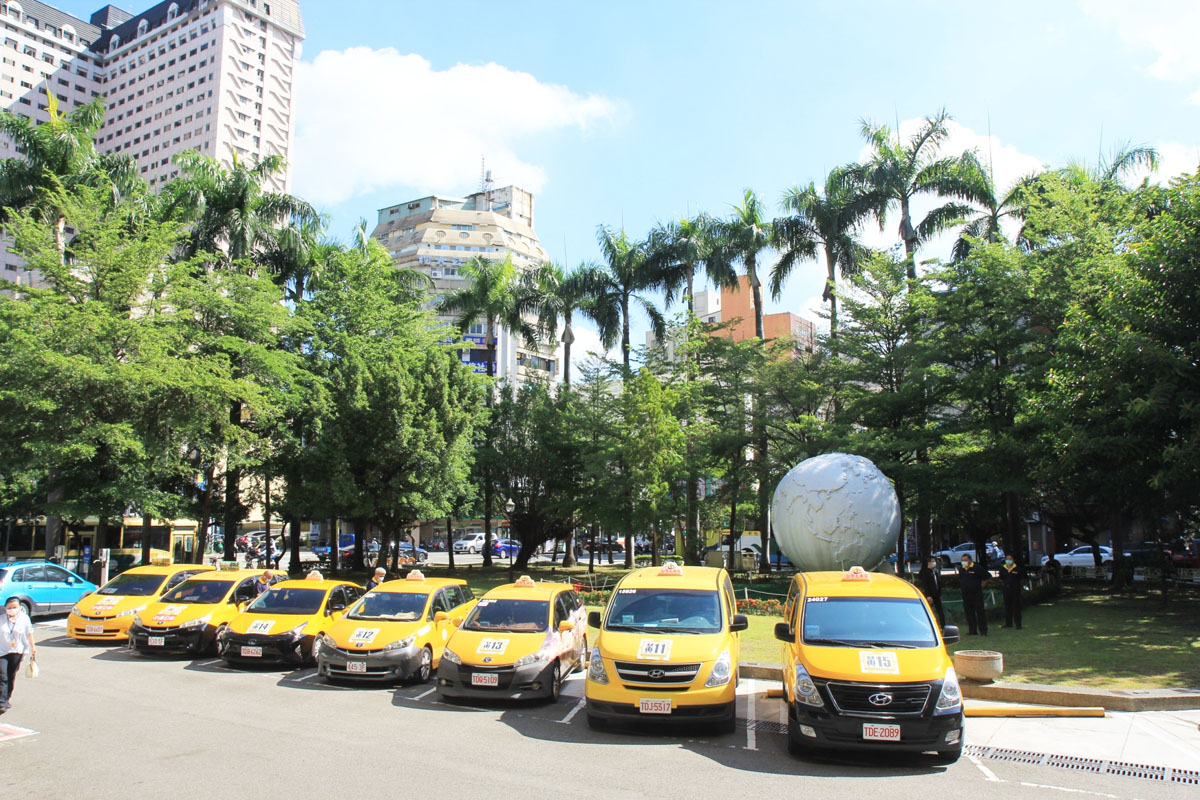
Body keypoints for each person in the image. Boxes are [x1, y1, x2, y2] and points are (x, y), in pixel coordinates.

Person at [1, 597, 36, 713]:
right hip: (2, 651)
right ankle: (2, 702)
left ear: (19, 608)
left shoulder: (24, 619)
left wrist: (33, 648)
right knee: (2, 676)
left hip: (17, 651)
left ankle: (7, 698)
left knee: (11, 676)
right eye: (9, 608)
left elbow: (29, 633)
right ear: (5, 608)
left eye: (14, 607)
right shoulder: (1, 619)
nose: (12, 610)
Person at [956, 554, 991, 636]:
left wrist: (981, 586)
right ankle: (972, 630)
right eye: (962, 560)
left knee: (980, 612)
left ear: (970, 560)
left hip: (976, 594)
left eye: (965, 560)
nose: (964, 562)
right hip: (966, 595)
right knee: (969, 612)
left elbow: (987, 577)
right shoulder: (962, 569)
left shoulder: (977, 568)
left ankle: (983, 631)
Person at [999, 555, 1023, 629]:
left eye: (1010, 559)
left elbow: (1021, 579)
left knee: (1016, 607)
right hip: (1006, 590)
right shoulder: (1003, 568)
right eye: (1007, 559)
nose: (1008, 560)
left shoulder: (1018, 569)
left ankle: (1018, 624)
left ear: (1013, 560)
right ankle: (1008, 623)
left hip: (1015, 590)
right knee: (1007, 606)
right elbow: (1001, 578)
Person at [918, 557, 944, 625]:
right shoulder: (925, 572)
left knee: (940, 612)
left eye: (934, 561)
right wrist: (928, 595)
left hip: (937, 595)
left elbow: (938, 583)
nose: (934, 563)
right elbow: (925, 585)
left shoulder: (935, 571)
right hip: (930, 595)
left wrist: (940, 594)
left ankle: (943, 625)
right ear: (929, 563)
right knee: (929, 611)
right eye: (932, 561)